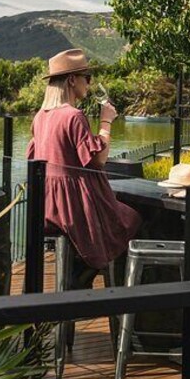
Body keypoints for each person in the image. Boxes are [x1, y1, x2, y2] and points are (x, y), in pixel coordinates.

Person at [26, 48, 141, 286]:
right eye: (86, 78)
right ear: (71, 80)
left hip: (46, 206)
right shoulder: (73, 116)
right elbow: (98, 160)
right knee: (133, 219)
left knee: (120, 220)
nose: (89, 84)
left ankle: (81, 269)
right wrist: (106, 121)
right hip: (75, 207)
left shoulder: (40, 116)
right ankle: (95, 280)